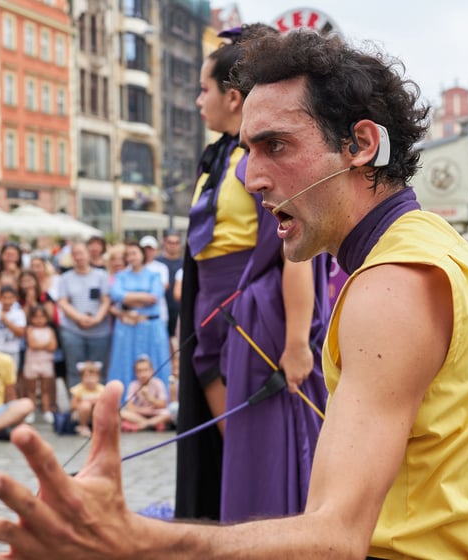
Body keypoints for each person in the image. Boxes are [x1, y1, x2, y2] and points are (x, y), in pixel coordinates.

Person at [0, 30, 468, 559]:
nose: (252, 177)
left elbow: (335, 537)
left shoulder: (393, 284)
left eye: (276, 146)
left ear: (360, 144)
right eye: (248, 149)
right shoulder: (448, 255)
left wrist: (133, 540)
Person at [177, 24, 331, 524]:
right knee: (234, 451)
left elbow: (293, 250)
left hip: (249, 315)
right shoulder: (217, 157)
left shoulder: (254, 163)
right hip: (210, 316)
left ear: (233, 96)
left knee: (263, 447)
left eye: (204, 88)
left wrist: (295, 341)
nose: (199, 99)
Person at [107, 242, 170, 403]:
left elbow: (155, 297)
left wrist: (129, 298)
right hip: (128, 327)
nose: (131, 257)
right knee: (125, 363)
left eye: (134, 253)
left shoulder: (153, 275)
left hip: (150, 326)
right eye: (128, 254)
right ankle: (123, 402)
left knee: (154, 362)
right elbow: (116, 295)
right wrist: (141, 298)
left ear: (142, 254)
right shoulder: (121, 276)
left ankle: (159, 403)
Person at [56, 242, 112, 389]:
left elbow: (106, 300)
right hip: (73, 330)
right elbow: (63, 302)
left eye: (81, 253)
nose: (79, 257)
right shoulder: (65, 278)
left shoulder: (102, 275)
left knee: (98, 368)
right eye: (75, 254)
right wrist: (80, 318)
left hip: (100, 330)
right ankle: (77, 404)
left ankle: (99, 403)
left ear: (88, 254)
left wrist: (97, 319)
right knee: (75, 368)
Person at [23, 305, 58, 424]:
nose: (39, 320)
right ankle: (30, 411)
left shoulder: (50, 330)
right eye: (36, 317)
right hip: (32, 362)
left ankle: (47, 410)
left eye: (42, 317)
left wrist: (40, 345)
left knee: (45, 389)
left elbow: (53, 346)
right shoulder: (29, 330)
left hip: (46, 363)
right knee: (31, 390)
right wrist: (45, 345)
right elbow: (33, 345)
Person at [119, 355, 172, 432]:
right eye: (139, 371)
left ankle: (141, 426)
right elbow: (129, 406)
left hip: (155, 414)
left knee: (168, 414)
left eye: (146, 370)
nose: (143, 374)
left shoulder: (158, 383)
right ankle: (149, 425)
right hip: (139, 415)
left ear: (152, 370)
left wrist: (148, 397)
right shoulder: (133, 385)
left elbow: (163, 404)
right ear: (135, 373)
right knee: (122, 413)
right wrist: (144, 410)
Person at [0, 286, 27, 375]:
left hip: (12, 351)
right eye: (4, 298)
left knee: (11, 377)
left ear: (15, 299)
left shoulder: (19, 314)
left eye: (10, 298)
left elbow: (21, 333)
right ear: (0, 298)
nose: (7, 301)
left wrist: (6, 320)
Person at [156, 230, 184, 339]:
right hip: (160, 311)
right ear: (164, 242)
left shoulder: (185, 264)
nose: (173, 246)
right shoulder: (156, 262)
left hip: (178, 311)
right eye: (170, 242)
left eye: (176, 242)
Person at [68, 361, 105, 437]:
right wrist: (86, 402)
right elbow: (73, 406)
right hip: (80, 414)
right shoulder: (78, 389)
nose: (90, 380)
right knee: (86, 405)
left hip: (96, 414)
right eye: (87, 377)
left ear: (98, 378)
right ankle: (83, 426)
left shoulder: (102, 389)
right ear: (81, 378)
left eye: (92, 377)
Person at [139, 236, 170, 326]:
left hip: (159, 314)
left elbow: (162, 288)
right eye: (145, 249)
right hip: (139, 314)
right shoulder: (132, 267)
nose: (148, 252)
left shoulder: (161, 267)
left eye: (150, 249)